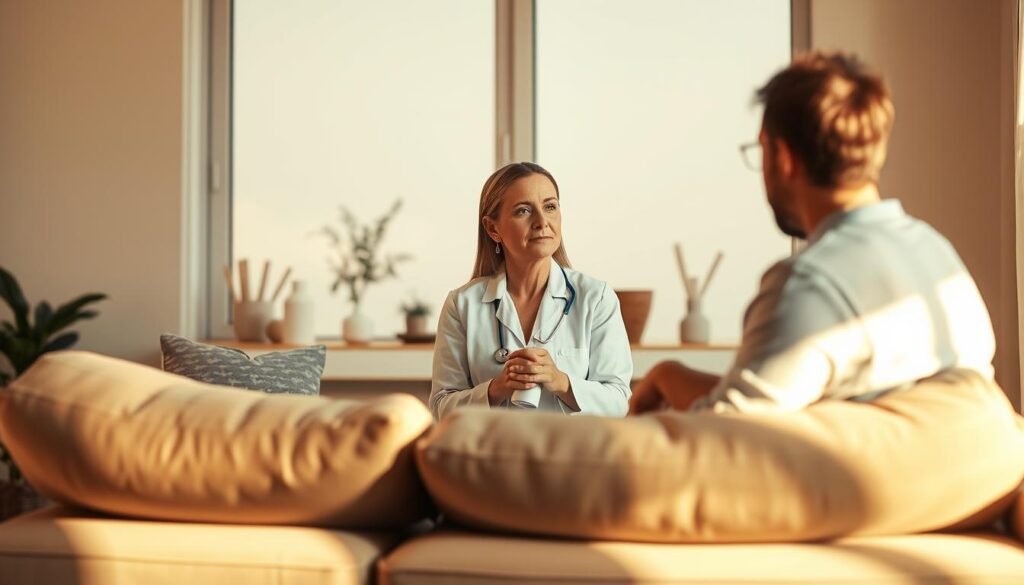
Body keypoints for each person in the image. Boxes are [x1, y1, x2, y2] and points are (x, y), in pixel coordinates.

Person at [630, 51, 995, 415]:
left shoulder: (809, 282)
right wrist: (668, 374)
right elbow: (775, 400)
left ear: (783, 157)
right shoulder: (936, 252)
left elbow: (728, 436)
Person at [430, 162, 633, 419]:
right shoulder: (462, 304)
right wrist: (495, 389)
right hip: (492, 455)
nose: (542, 222)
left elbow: (618, 401)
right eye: (523, 211)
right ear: (493, 228)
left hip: (570, 455)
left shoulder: (596, 298)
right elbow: (440, 406)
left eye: (550, 207)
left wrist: (561, 382)